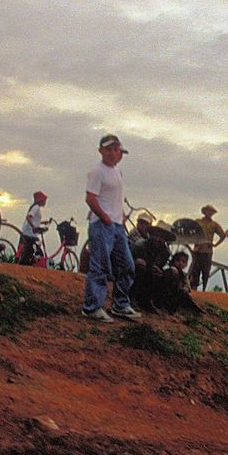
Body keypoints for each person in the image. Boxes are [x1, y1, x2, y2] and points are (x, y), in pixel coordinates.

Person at [81, 134, 141, 322]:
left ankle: (120, 304)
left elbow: (115, 198)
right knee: (100, 266)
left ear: (120, 153)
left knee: (127, 265)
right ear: (101, 151)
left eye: (116, 149)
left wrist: (120, 216)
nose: (113, 153)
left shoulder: (117, 172)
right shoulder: (97, 171)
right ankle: (92, 308)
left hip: (116, 226)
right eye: (108, 149)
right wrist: (105, 217)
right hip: (101, 225)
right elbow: (90, 198)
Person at [131, 221, 174, 312]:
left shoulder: (165, 252)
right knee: (140, 265)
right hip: (135, 275)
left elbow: (163, 266)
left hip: (152, 278)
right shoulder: (140, 245)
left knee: (170, 273)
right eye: (157, 235)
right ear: (152, 234)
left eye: (162, 237)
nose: (158, 239)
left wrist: (160, 270)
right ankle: (132, 298)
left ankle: (152, 301)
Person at [189, 204, 225, 291]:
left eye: (211, 212)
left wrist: (215, 244)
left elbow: (223, 235)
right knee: (195, 270)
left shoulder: (214, 224)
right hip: (197, 250)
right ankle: (194, 288)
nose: (209, 213)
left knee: (205, 272)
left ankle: (204, 289)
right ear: (204, 212)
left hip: (207, 251)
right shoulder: (197, 222)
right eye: (208, 211)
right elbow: (190, 231)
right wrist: (195, 240)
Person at [18, 191, 48, 266]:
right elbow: (28, 218)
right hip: (29, 233)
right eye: (44, 200)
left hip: (28, 232)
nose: (45, 202)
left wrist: (43, 222)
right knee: (32, 250)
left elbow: (34, 220)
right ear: (41, 200)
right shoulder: (36, 207)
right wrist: (33, 227)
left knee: (30, 250)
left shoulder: (35, 207)